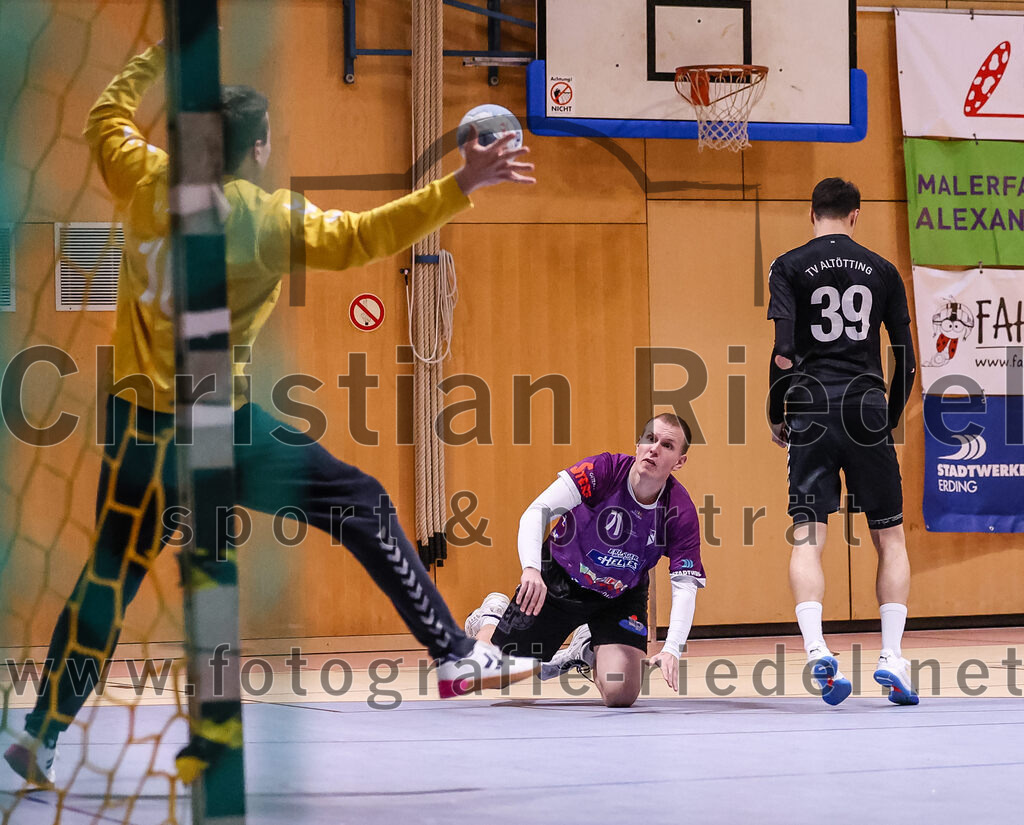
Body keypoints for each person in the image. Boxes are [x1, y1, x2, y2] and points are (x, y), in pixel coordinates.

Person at [4, 43, 538, 788]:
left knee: (108, 584)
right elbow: (363, 237)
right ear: (256, 150)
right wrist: (459, 185)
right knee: (363, 504)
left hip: (135, 431)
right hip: (222, 430)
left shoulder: (144, 177)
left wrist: (156, 52)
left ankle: (42, 731)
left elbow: (104, 117)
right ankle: (452, 651)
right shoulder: (265, 221)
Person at [766, 177, 919, 707]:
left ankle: (816, 652)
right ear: (856, 216)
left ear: (812, 214)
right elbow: (908, 358)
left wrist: (774, 411)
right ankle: (892, 658)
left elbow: (784, 351)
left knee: (808, 533)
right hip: (867, 407)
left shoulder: (787, 265)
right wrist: (887, 415)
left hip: (810, 405)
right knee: (891, 537)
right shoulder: (882, 269)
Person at [465, 413, 706, 707]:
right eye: (650, 439)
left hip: (620, 595)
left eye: (667, 445)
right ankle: (491, 616)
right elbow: (538, 511)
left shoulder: (679, 510)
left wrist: (672, 649)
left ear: (679, 461)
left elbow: (684, 584)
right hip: (559, 581)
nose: (654, 449)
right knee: (490, 674)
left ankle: (585, 648)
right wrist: (531, 568)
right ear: (638, 444)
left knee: (621, 695)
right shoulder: (603, 471)